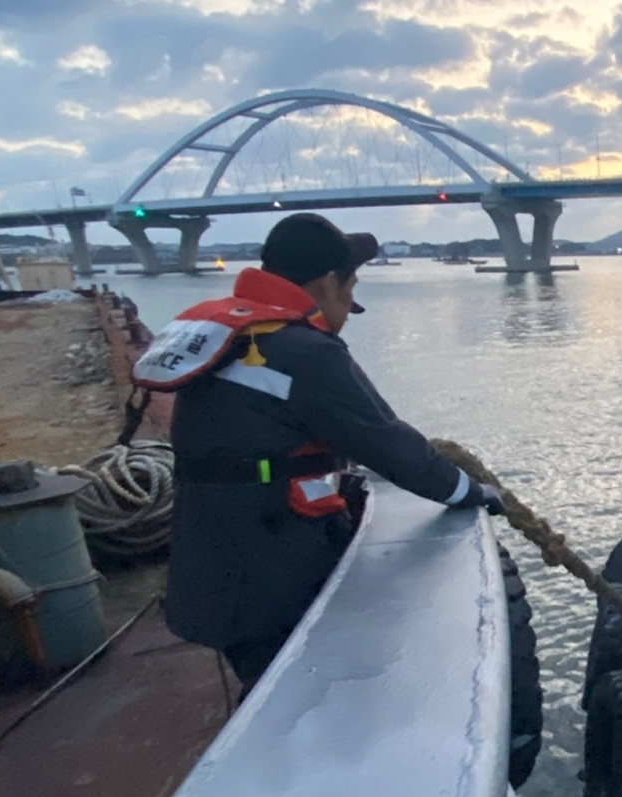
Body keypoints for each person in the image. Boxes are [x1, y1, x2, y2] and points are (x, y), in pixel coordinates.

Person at [159, 212, 502, 689]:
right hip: (271, 566)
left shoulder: (231, 334)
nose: (350, 303)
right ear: (326, 282)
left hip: (208, 554)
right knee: (290, 687)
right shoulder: (307, 352)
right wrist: (470, 491)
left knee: (258, 680)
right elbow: (386, 442)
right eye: (351, 288)